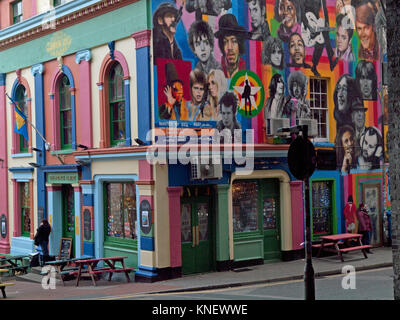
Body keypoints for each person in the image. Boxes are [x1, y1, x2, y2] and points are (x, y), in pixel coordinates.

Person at [300, 0, 338, 76]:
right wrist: (309, 27)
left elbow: (324, 10)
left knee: (322, 40)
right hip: (306, 25)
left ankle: (318, 65)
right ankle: (330, 60)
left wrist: (327, 22)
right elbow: (302, 13)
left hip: (316, 22)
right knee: (322, 37)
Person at [214, 14, 248, 79]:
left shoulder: (246, 69)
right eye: (225, 42)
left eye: (234, 41)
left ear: (239, 44)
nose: (230, 47)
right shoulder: (217, 69)